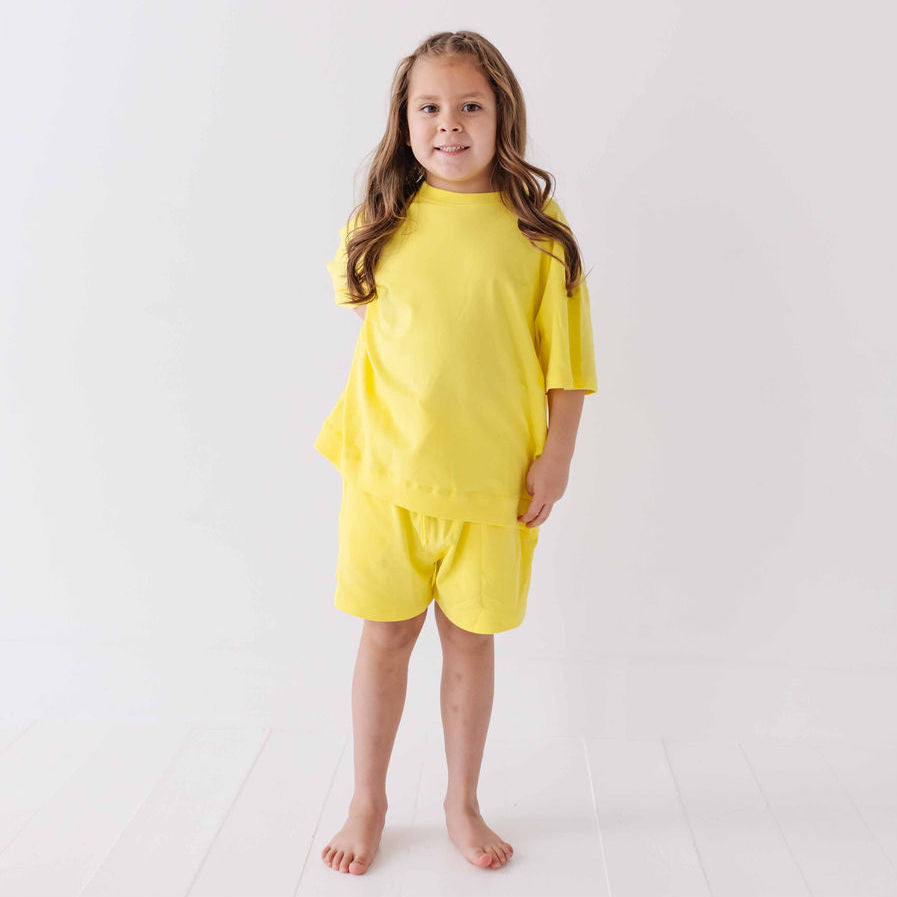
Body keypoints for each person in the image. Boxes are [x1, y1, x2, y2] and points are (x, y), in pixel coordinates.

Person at [314, 30, 597, 876]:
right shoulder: (381, 223)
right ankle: (367, 799)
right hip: (386, 477)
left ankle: (460, 800)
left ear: (500, 115)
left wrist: (555, 458)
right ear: (403, 123)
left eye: (469, 106)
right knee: (385, 633)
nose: (449, 124)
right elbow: (374, 314)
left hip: (492, 487)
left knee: (470, 639)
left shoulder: (539, 233)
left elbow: (567, 363)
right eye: (429, 108)